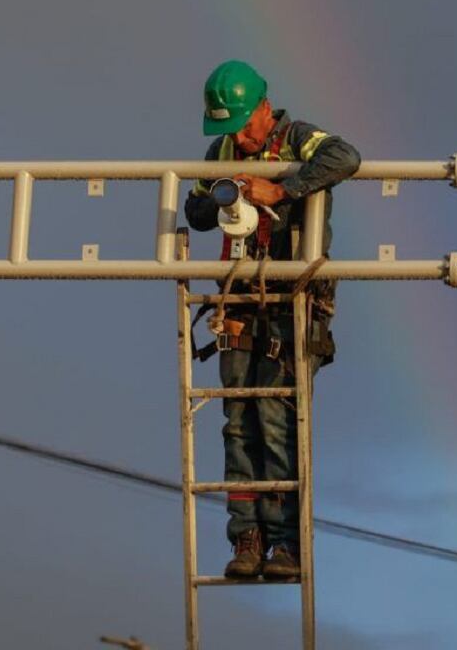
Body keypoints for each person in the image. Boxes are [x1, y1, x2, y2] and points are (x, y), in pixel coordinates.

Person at [184, 59, 361, 579]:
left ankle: (285, 543)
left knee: (279, 420)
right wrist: (229, 193)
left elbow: (345, 157)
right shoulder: (221, 152)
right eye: (229, 130)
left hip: (293, 301)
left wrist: (280, 189)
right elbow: (194, 210)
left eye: (243, 127)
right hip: (239, 302)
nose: (238, 138)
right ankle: (247, 539)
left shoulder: (298, 139)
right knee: (239, 422)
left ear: (264, 108)